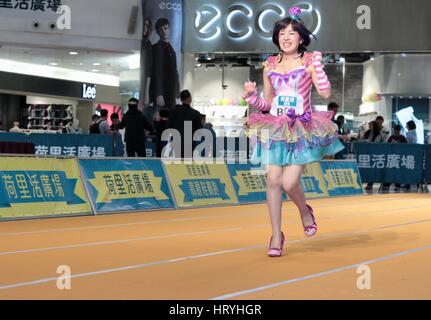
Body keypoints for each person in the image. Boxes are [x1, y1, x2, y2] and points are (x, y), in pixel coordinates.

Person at [242, 7, 344, 257]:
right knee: (272, 180)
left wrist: (318, 66)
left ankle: (305, 211)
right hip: (276, 128)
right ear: (276, 37)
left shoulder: (308, 62)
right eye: (282, 33)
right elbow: (267, 103)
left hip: (301, 129)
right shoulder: (269, 65)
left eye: (292, 33)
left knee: (289, 182)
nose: (286, 37)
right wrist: (252, 98)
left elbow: (326, 93)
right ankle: (276, 235)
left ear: (301, 38)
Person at [150, 18, 180, 111]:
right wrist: (159, 93)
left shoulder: (172, 49)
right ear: (158, 32)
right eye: (161, 29)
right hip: (163, 92)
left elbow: (175, 72)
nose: (164, 31)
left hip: (171, 92)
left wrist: (177, 92)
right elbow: (156, 72)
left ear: (169, 29)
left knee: (168, 116)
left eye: (165, 28)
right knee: (162, 116)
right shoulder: (155, 48)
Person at [168, 90, 202, 158]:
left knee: (175, 165)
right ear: (190, 99)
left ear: (181, 99)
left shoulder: (174, 112)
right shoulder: (195, 113)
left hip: (175, 143)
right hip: (189, 145)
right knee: (187, 165)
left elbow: (169, 127)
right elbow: (199, 131)